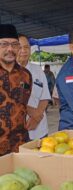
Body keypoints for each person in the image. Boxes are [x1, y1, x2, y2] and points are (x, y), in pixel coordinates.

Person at [0, 24, 32, 156]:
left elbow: (23, 107)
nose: (10, 49)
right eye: (4, 44)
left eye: (14, 44)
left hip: (20, 146)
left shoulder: (26, 75)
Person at [17, 34, 51, 140]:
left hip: (40, 129)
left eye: (26, 47)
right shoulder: (6, 72)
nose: (23, 50)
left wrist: (37, 117)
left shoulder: (37, 70)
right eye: (19, 47)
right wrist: (34, 115)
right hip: (18, 132)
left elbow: (45, 96)